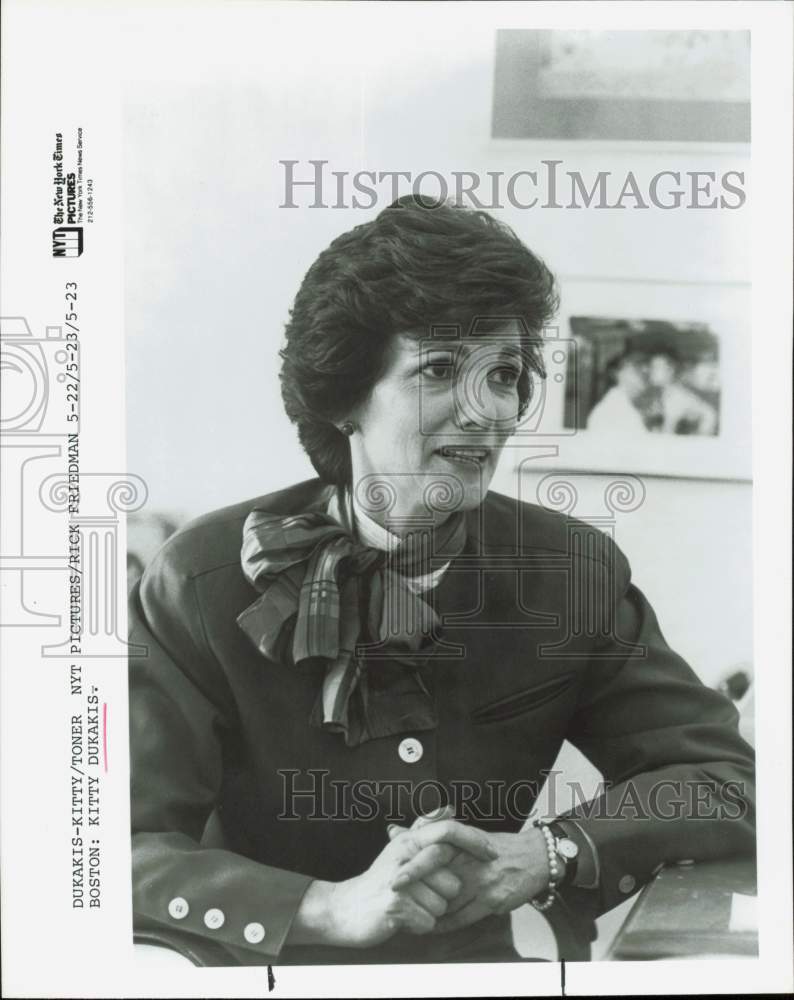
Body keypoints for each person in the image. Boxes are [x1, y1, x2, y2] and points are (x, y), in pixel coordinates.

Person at [128, 197, 755, 966]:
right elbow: (113, 848)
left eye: (502, 375)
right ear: (346, 398)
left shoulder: (570, 574)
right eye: (438, 369)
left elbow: (720, 775)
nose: (484, 410)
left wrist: (550, 852)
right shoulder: (202, 578)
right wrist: (324, 907)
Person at [586, 352, 649, 434]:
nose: (644, 378)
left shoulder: (624, 404)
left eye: (645, 374)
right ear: (619, 374)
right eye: (637, 371)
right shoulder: (613, 409)